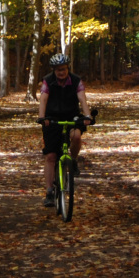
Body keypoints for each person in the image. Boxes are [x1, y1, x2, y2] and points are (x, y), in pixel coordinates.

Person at [37, 52, 90, 208]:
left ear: (68, 68)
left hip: (71, 116)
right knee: (51, 156)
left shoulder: (76, 81)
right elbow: (43, 100)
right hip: (52, 119)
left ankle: (72, 160)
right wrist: (42, 117)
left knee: (77, 137)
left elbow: (82, 99)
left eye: (64, 69)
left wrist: (87, 115)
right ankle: (49, 191)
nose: (62, 72)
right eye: (58, 69)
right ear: (54, 69)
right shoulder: (47, 81)